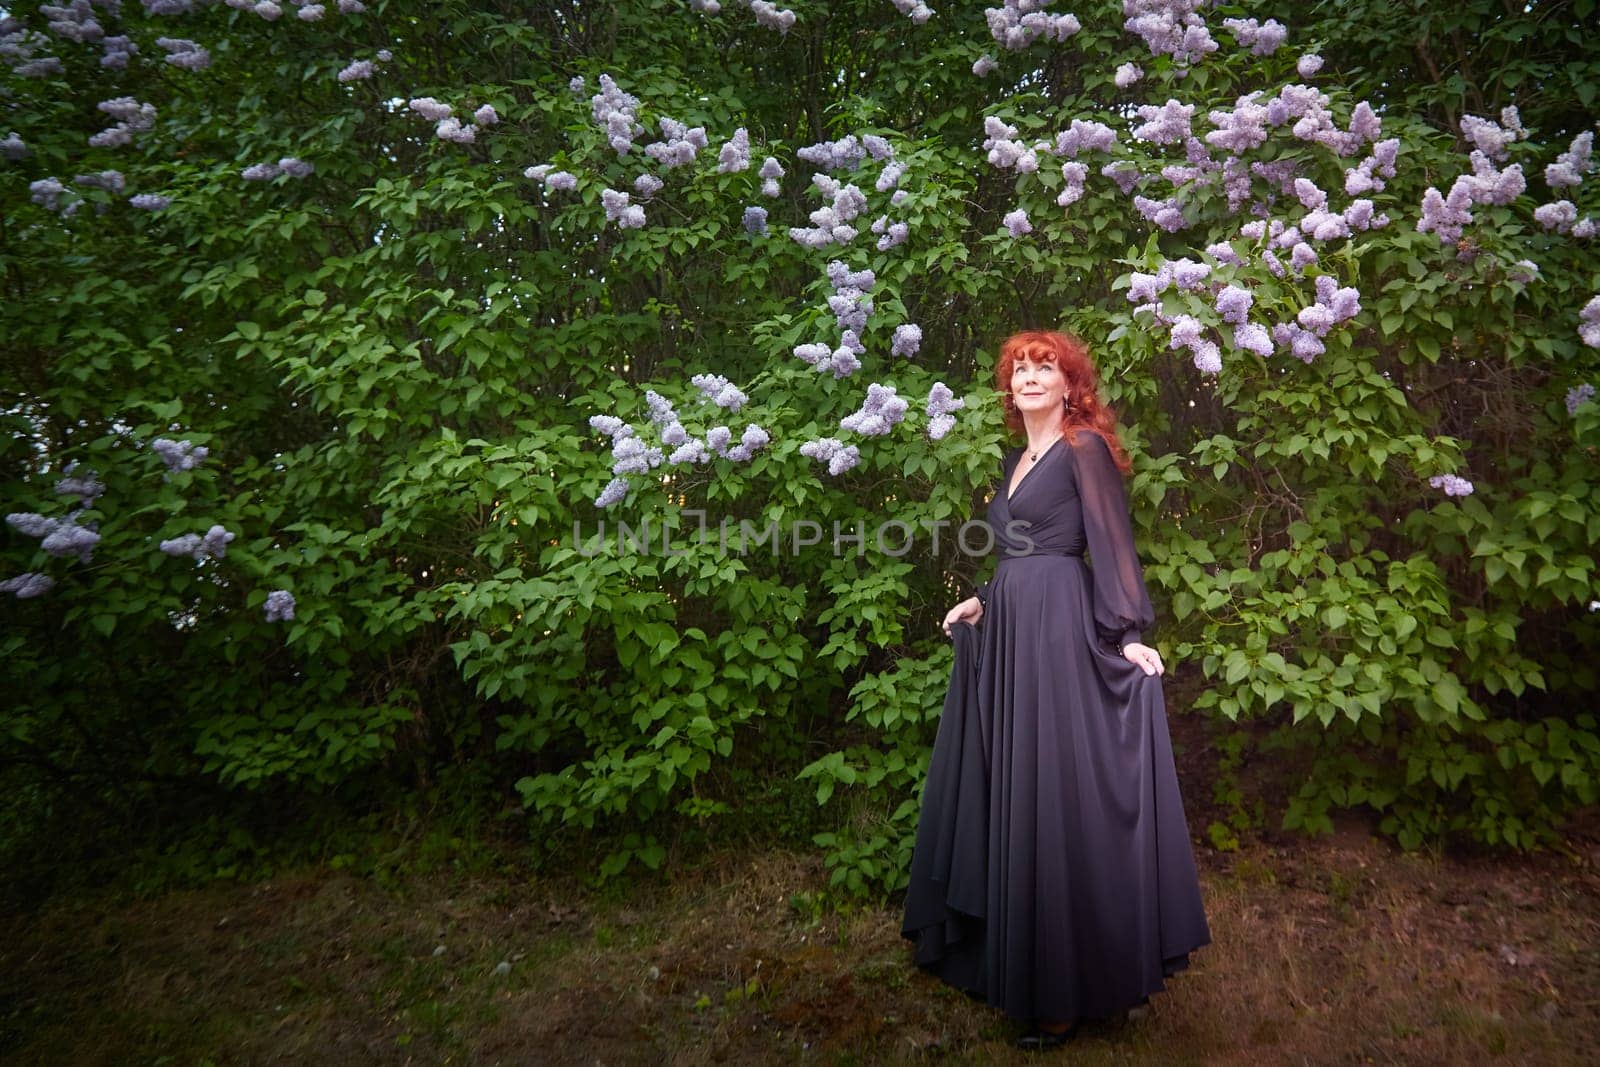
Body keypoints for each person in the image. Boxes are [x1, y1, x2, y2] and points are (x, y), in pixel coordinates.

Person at [901, 330, 1211, 1049]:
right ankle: (1037, 968)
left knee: (1057, 800)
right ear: (1008, 387)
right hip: (1011, 636)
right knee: (1019, 793)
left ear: (1072, 386)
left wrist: (1129, 630)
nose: (1031, 376)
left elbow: (1108, 542)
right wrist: (981, 599)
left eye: (1047, 367)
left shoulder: (1082, 450)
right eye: (1020, 368)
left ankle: (1069, 988)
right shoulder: (1015, 464)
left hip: (1060, 639)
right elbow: (1014, 558)